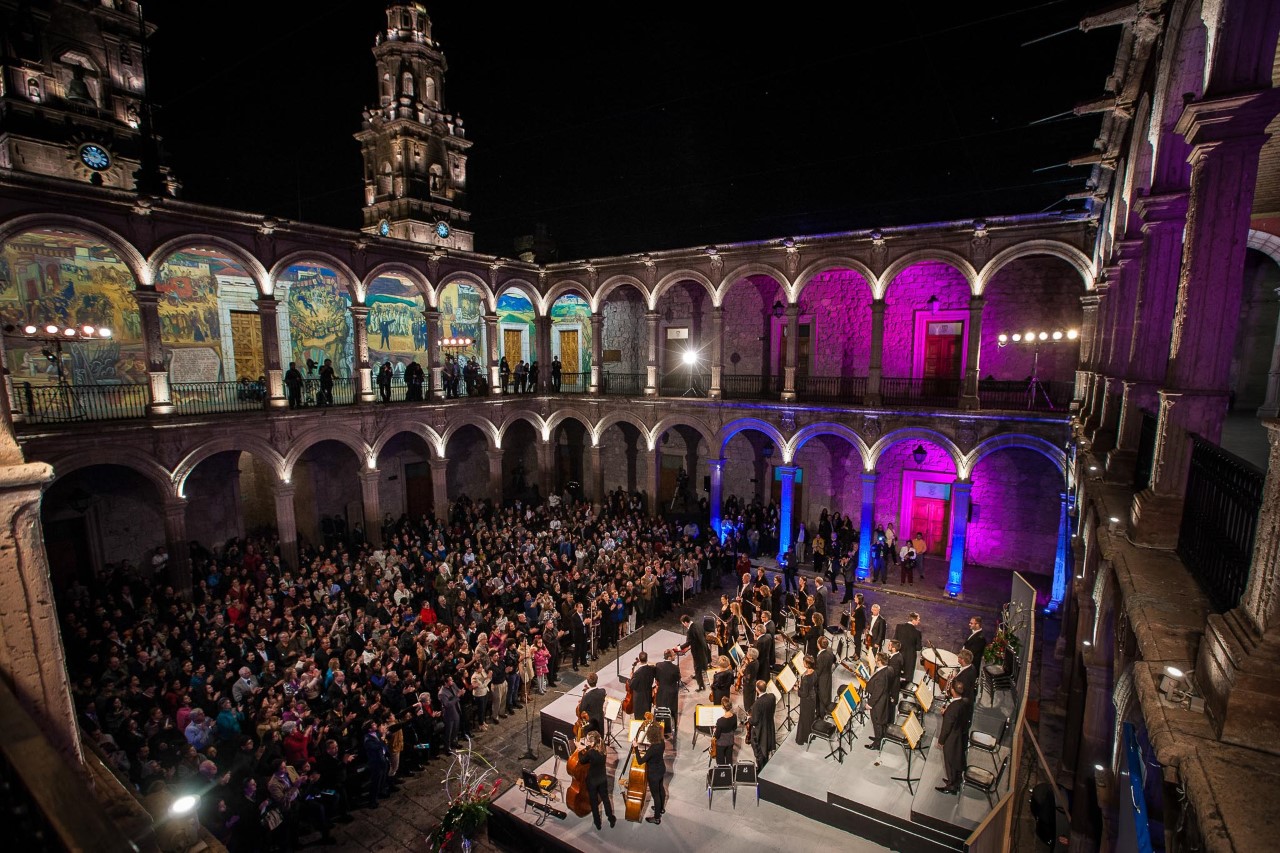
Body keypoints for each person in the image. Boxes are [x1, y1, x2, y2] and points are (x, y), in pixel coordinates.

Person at [935, 683, 973, 794]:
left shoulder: (952, 708)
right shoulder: (965, 702)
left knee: (950, 761)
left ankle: (951, 786)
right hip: (960, 734)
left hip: (952, 738)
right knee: (956, 758)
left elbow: (946, 727)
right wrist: (945, 713)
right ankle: (955, 781)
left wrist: (941, 741)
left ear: (953, 691)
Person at [577, 731, 616, 830]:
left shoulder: (590, 753)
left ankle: (597, 823)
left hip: (592, 781)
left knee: (594, 802)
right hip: (602, 778)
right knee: (606, 799)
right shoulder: (603, 749)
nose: (585, 741)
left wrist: (579, 749)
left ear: (592, 743)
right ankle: (611, 819)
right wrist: (586, 747)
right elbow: (592, 751)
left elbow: (582, 760)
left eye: (587, 740)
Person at [636, 721, 666, 824]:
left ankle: (656, 818)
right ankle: (661, 808)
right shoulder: (662, 742)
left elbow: (640, 761)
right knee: (661, 788)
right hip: (661, 768)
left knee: (656, 795)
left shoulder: (653, 749)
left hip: (654, 773)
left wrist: (635, 747)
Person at [865, 652, 893, 750]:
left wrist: (870, 704)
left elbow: (877, 692)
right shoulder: (889, 669)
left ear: (879, 661)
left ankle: (877, 744)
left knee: (877, 722)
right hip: (884, 699)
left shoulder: (881, 676)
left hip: (878, 703)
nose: (875, 660)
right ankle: (880, 737)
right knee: (880, 722)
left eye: (876, 659)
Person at [748, 680, 777, 769]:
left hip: (760, 731)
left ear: (757, 689)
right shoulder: (772, 697)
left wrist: (749, 719)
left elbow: (755, 721)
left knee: (759, 752)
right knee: (766, 749)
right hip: (769, 726)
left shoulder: (757, 704)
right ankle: (765, 765)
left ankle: (761, 770)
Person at [679, 614, 710, 691]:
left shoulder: (690, 631)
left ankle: (701, 686)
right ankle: (699, 675)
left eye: (683, 624)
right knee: (702, 665)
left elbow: (688, 642)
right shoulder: (698, 624)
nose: (683, 625)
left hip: (697, 652)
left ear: (685, 622)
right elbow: (702, 634)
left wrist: (679, 647)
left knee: (697, 668)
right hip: (704, 647)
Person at [654, 649, 682, 735]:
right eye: (674, 655)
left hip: (661, 692)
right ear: (669, 657)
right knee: (673, 711)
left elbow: (657, 678)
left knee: (661, 711)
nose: (675, 656)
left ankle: (662, 729)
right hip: (672, 693)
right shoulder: (675, 668)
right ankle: (674, 729)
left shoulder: (658, 665)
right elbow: (678, 678)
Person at [363, 720, 390, 808]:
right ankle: (372, 801)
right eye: (373, 725)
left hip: (382, 759)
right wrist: (382, 739)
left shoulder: (377, 733)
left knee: (382, 778)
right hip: (376, 763)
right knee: (375, 782)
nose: (375, 725)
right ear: (370, 729)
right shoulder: (367, 739)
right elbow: (376, 746)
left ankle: (381, 792)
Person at [893, 612, 923, 688]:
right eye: (918, 620)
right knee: (907, 677)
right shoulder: (917, 633)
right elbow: (919, 647)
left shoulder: (899, 627)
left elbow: (895, 640)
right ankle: (905, 692)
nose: (919, 621)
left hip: (898, 654)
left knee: (896, 673)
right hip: (910, 658)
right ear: (914, 620)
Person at [795, 655, 817, 744]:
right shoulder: (814, 672)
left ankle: (802, 738)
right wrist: (802, 686)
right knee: (810, 717)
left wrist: (798, 689)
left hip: (806, 701)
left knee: (804, 718)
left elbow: (804, 694)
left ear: (807, 664)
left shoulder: (806, 678)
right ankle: (809, 734)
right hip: (813, 698)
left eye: (804, 662)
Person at [629, 652, 656, 718]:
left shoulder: (637, 673)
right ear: (647, 659)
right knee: (647, 717)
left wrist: (631, 678)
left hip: (639, 699)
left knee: (639, 718)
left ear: (640, 660)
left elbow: (632, 685)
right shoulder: (651, 669)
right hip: (648, 696)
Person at [713, 696, 738, 765]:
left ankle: (722, 773)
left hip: (721, 743)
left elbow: (717, 736)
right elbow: (734, 728)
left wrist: (715, 730)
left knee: (720, 760)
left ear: (723, 707)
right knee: (729, 758)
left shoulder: (720, 721)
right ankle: (729, 772)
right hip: (730, 741)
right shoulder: (734, 716)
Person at [814, 636, 835, 714]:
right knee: (826, 694)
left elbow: (818, 671)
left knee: (822, 697)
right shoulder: (829, 651)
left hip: (822, 679)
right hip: (828, 675)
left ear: (819, 645)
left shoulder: (821, 657)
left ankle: (821, 715)